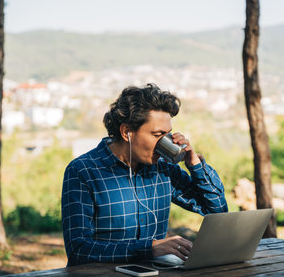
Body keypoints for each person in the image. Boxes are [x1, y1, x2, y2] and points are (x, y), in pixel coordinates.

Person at [61, 83, 228, 266]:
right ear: (127, 132)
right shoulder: (82, 171)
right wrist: (148, 248)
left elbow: (216, 211)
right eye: (158, 134)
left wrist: (195, 165)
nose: (165, 142)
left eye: (167, 135)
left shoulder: (163, 168)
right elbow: (79, 249)